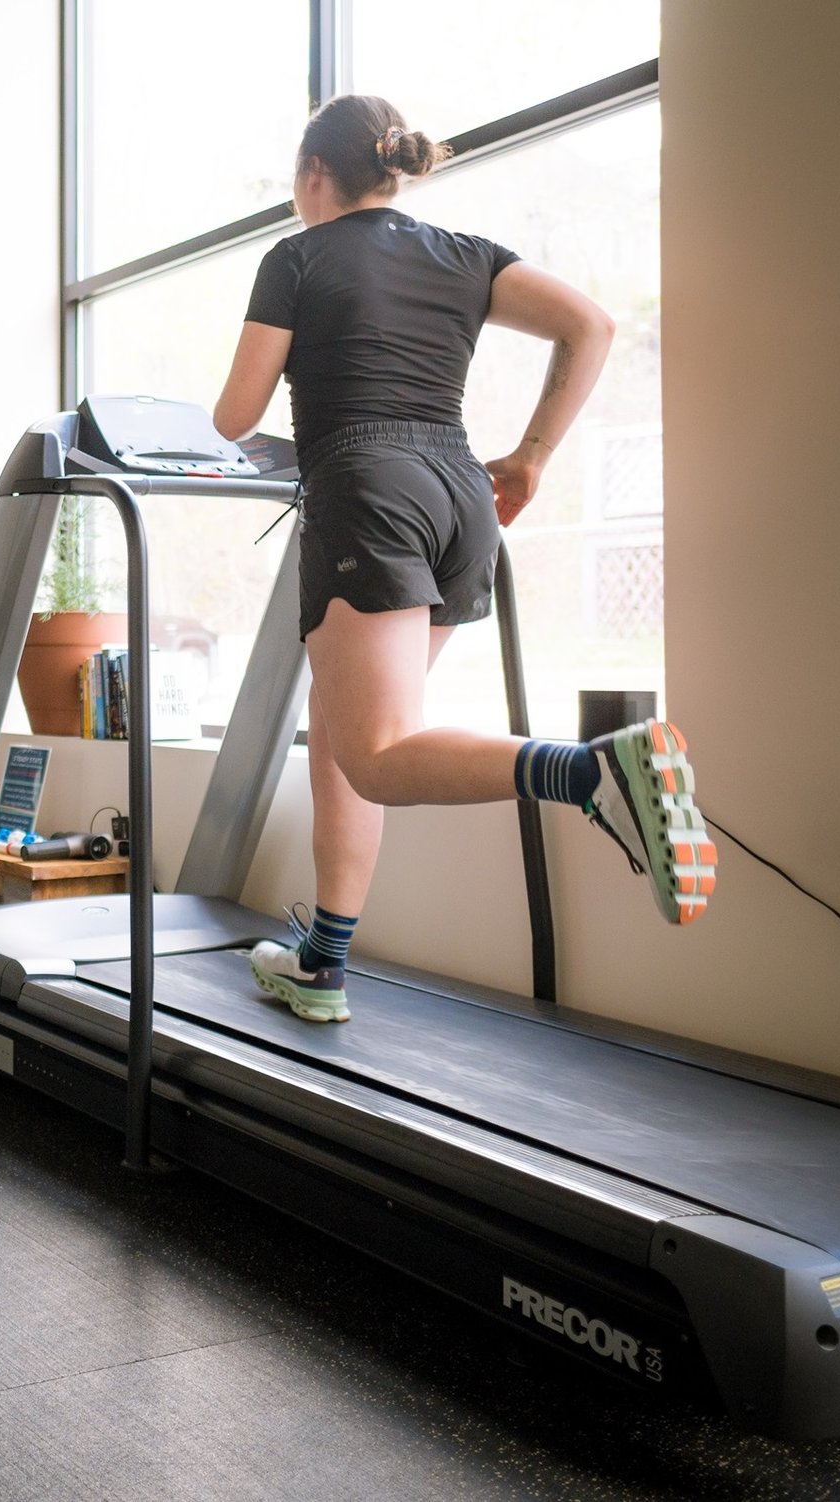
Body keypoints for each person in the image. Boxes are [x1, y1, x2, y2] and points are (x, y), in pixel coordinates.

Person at [211, 95, 716, 1027]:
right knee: (344, 730)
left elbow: (233, 417)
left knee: (376, 755)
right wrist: (529, 458)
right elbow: (591, 327)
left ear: (314, 175)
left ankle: (594, 772)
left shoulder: (298, 257)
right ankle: (321, 960)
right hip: (459, 492)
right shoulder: (465, 252)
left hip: (367, 491)